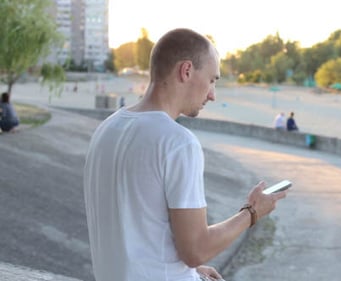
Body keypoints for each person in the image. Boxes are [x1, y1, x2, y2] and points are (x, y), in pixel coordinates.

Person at [83, 28, 288, 281]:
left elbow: (137, 231)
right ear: (186, 71)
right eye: (212, 80)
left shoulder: (108, 127)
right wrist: (252, 212)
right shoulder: (177, 142)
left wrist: (188, 271)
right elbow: (196, 250)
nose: (212, 94)